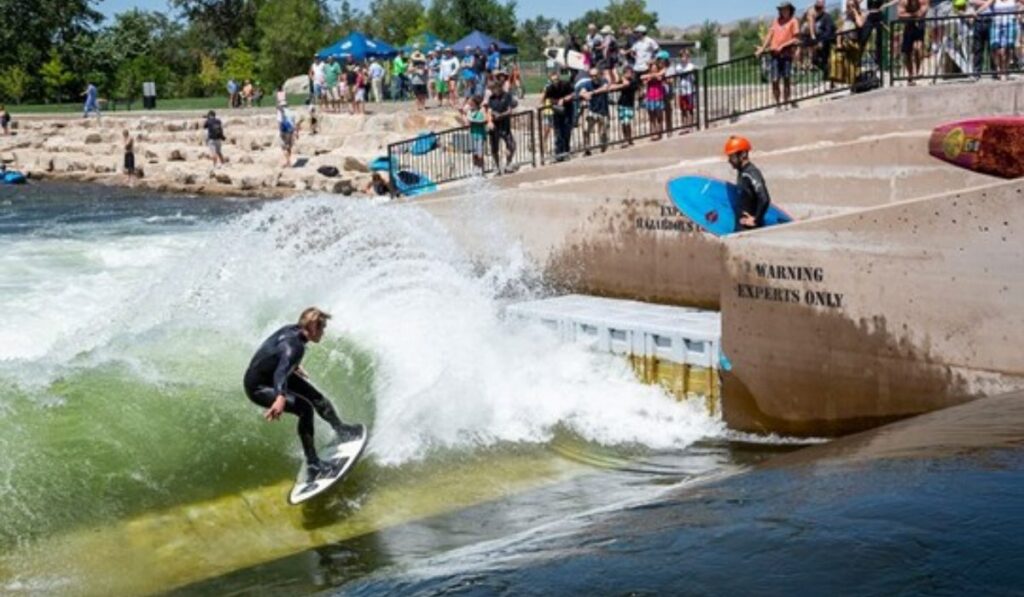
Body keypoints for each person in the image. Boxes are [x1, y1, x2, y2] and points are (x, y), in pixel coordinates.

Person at [243, 308, 363, 484]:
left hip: (271, 374)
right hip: (259, 386)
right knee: (305, 409)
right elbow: (280, 374)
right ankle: (313, 465)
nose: (324, 332)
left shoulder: (292, 330)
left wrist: (293, 365)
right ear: (313, 327)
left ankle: (341, 429)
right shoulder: (295, 347)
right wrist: (280, 397)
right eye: (322, 328)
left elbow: (276, 353)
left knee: (316, 398)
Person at [758, 2, 801, 108]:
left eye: (786, 9)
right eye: (782, 9)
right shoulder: (776, 21)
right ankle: (778, 103)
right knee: (774, 79)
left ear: (790, 10)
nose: (784, 11)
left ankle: (786, 102)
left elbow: (796, 38)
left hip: (786, 55)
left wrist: (783, 45)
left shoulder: (793, 21)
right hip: (775, 54)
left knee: (786, 78)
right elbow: (769, 35)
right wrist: (762, 48)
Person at [724, 136, 772, 230]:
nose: (729, 161)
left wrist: (756, 220)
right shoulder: (742, 172)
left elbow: (764, 198)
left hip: (749, 230)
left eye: (732, 156)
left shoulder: (752, 173)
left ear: (743, 154)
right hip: (741, 228)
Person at [485, 75, 518, 174]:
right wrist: (490, 121)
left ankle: (508, 164)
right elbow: (489, 110)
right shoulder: (491, 98)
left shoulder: (507, 95)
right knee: (494, 148)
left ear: (499, 87)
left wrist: (501, 115)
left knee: (512, 145)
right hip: (495, 126)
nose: (493, 90)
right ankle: (497, 166)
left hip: (504, 124)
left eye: (494, 88)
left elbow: (510, 110)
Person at [542, 70, 576, 162]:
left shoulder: (566, 84)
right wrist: (555, 102)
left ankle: (566, 152)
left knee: (566, 132)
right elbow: (546, 98)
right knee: (558, 133)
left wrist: (564, 99)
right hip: (557, 112)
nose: (555, 82)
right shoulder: (550, 88)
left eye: (556, 80)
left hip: (568, 110)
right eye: (553, 81)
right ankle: (558, 154)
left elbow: (573, 93)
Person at [578, 66, 610, 156]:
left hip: (603, 110)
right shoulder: (587, 83)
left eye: (595, 75)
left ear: (599, 75)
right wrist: (584, 95)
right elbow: (582, 91)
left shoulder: (604, 80)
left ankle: (603, 149)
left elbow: (605, 88)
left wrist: (592, 92)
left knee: (603, 132)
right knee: (585, 130)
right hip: (592, 110)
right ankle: (587, 149)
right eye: (591, 76)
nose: (594, 77)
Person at [899, 0, 930, 84]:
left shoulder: (922, 1)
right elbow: (900, 15)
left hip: (919, 24)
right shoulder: (904, 2)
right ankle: (911, 74)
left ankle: (917, 71)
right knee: (907, 52)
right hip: (909, 25)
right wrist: (913, 15)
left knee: (918, 48)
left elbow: (922, 13)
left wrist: (908, 15)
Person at [609, 66, 639, 147]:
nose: (628, 74)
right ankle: (626, 139)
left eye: (629, 72)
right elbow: (612, 87)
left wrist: (621, 77)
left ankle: (629, 138)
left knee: (627, 122)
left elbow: (627, 84)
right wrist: (619, 82)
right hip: (621, 103)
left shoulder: (633, 81)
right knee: (623, 123)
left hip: (629, 104)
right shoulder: (621, 81)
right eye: (626, 72)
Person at [990, 0, 1018, 80]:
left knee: (1007, 49)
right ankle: (999, 69)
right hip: (996, 24)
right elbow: (986, 4)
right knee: (995, 47)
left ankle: (1005, 70)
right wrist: (977, 12)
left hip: (1010, 23)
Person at [462, 94, 488, 172]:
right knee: (474, 154)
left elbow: (484, 120)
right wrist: (463, 116)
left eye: (471, 102)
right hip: (473, 134)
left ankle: (481, 169)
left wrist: (473, 121)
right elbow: (467, 123)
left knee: (480, 154)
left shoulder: (481, 110)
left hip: (480, 134)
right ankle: (475, 169)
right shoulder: (470, 111)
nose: (469, 103)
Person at [277, 101, 299, 167]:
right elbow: (295, 123)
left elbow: (279, 123)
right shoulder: (291, 112)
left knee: (284, 147)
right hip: (291, 131)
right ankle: (288, 161)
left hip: (284, 131)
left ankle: (288, 162)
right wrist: (296, 132)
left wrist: (280, 132)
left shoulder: (281, 112)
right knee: (289, 146)